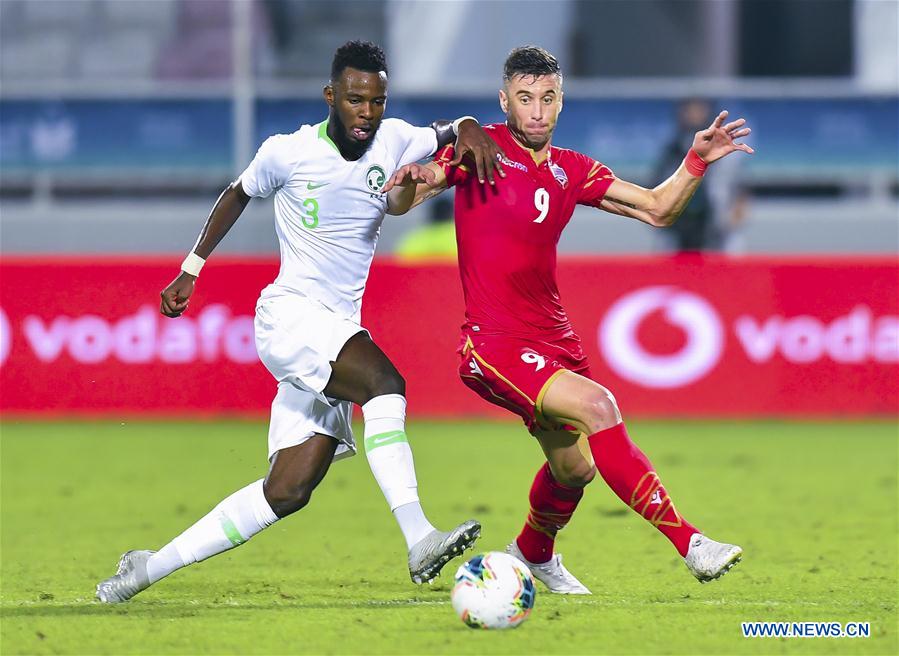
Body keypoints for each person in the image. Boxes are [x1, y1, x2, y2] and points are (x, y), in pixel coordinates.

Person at [96, 40, 505, 604]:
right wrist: (192, 268)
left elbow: (447, 130)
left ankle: (145, 568)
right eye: (357, 100)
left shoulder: (396, 138)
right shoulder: (287, 152)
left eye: (378, 101)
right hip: (291, 316)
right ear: (331, 96)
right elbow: (237, 194)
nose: (368, 113)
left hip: (334, 329)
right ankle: (418, 537)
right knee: (385, 385)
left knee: (287, 491)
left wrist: (468, 124)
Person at [385, 46, 753, 594]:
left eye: (548, 98)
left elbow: (657, 208)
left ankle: (532, 554)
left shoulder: (571, 169)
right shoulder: (479, 148)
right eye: (526, 98)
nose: (537, 110)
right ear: (505, 100)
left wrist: (695, 162)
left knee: (574, 471)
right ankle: (691, 544)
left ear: (561, 102)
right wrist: (410, 179)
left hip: (552, 338)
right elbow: (399, 204)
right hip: (495, 344)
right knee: (599, 407)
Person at [654, 98, 750, 253]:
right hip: (678, 225)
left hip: (716, 224)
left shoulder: (723, 147)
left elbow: (739, 186)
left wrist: (735, 215)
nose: (694, 115)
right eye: (690, 110)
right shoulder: (673, 149)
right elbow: (657, 183)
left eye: (699, 110)